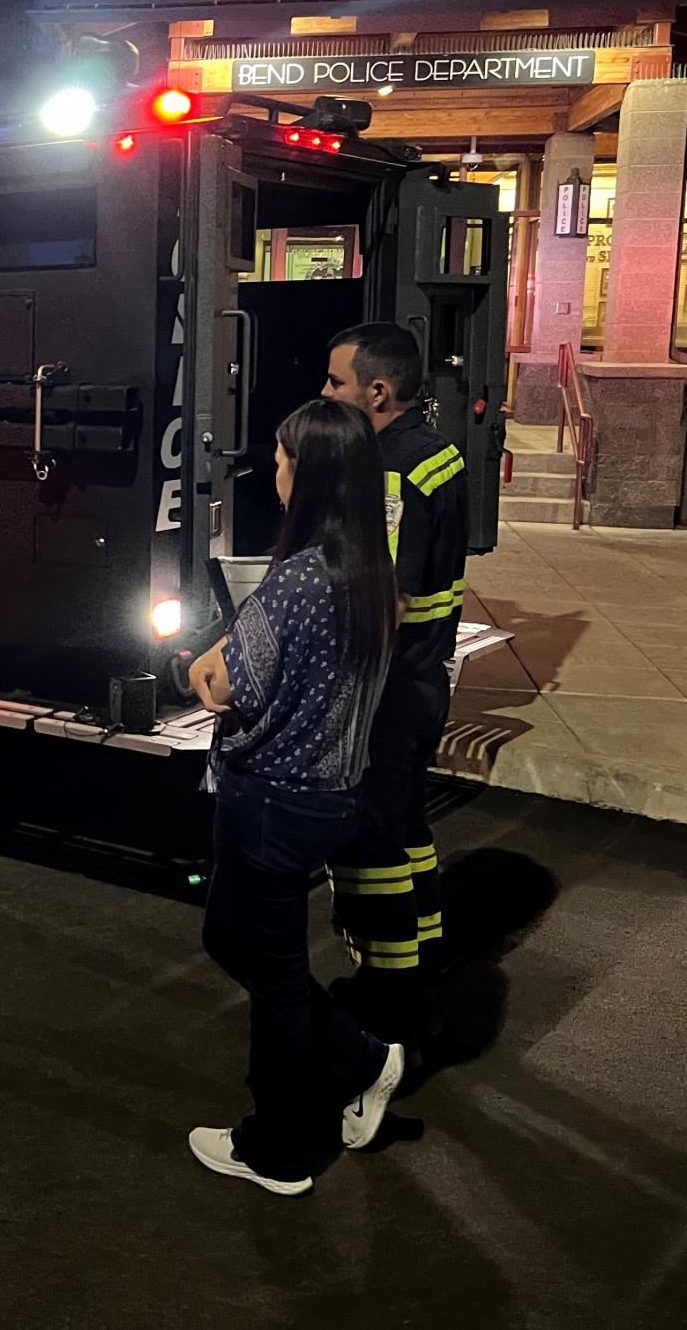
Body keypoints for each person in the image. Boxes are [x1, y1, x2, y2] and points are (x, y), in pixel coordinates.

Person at [184, 398, 404, 1196]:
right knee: (231, 938)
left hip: (272, 801)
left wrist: (198, 663)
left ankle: (277, 1149)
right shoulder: (371, 569)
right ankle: (360, 1057)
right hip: (328, 799)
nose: (271, 470)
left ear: (306, 475)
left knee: (273, 977)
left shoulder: (298, 578)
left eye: (280, 458)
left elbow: (226, 684)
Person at [322, 322, 468, 1050]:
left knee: (373, 846)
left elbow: (391, 597)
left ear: (377, 391)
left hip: (387, 685)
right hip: (422, 679)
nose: (325, 393)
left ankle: (390, 1000)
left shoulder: (390, 471)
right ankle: (427, 950)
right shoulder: (438, 452)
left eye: (336, 382)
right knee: (409, 829)